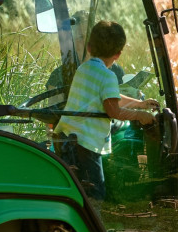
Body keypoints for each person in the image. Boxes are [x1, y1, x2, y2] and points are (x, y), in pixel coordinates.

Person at [54, 21, 158, 199]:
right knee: (96, 193)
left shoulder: (83, 69)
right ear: (118, 54)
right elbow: (114, 111)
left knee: (77, 191)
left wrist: (140, 104)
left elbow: (111, 97)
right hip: (85, 145)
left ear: (89, 47)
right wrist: (141, 116)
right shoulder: (108, 76)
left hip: (66, 138)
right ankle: (94, 224)